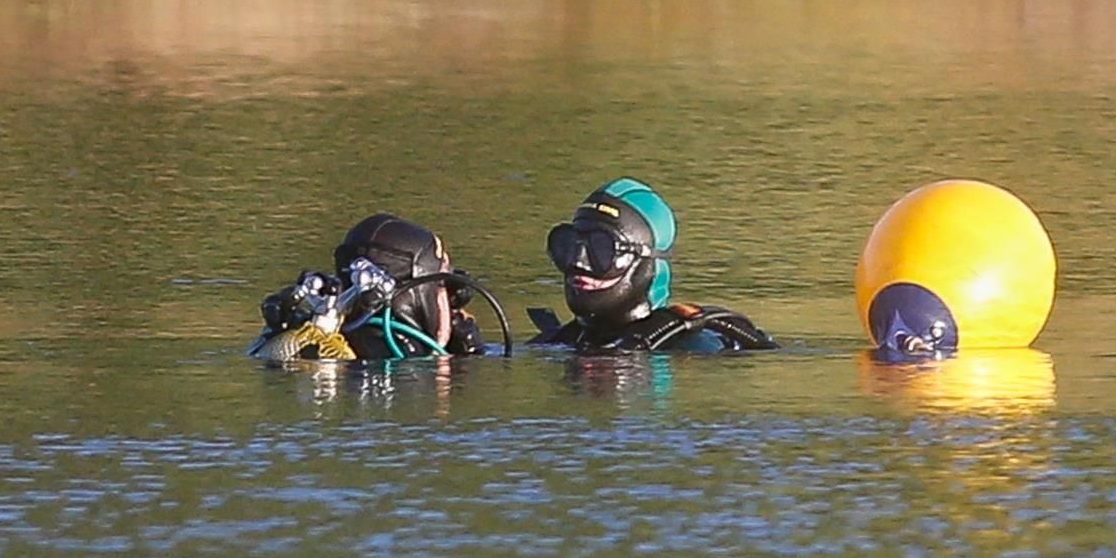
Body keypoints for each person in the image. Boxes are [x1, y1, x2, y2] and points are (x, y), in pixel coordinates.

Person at [528, 178, 777, 352]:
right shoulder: (564, 341)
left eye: (602, 249)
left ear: (647, 262)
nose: (577, 262)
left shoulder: (693, 347)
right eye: (568, 245)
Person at [250, 213, 498, 361]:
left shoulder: (311, 334)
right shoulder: (411, 372)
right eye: (443, 286)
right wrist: (469, 360)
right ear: (423, 293)